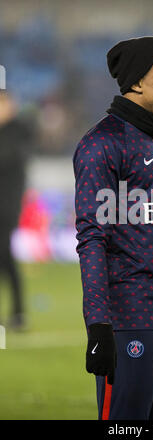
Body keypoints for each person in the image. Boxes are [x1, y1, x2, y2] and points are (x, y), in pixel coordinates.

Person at [73, 36, 153, 420]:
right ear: (138, 82)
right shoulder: (102, 145)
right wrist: (99, 326)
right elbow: (91, 239)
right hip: (126, 321)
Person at [0, 91, 33, 330]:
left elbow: (7, 158)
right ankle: (18, 314)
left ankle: (19, 314)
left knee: (5, 257)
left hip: (7, 207)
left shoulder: (18, 131)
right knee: (5, 259)